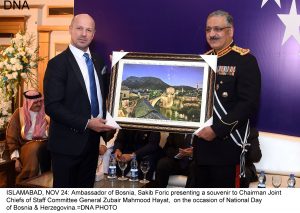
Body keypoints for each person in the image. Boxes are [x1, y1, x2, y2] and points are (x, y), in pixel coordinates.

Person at [43, 14, 114, 187]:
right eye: (79, 28)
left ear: (94, 33)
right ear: (70, 30)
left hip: (91, 144)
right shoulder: (57, 64)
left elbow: (106, 92)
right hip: (66, 147)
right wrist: (87, 123)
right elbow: (52, 107)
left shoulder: (98, 61)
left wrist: (118, 70)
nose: (84, 34)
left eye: (88, 30)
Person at [193, 10, 261, 187]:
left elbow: (248, 104)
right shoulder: (203, 60)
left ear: (230, 31)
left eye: (218, 29)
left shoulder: (245, 61)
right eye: (208, 30)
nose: (212, 34)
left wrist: (216, 130)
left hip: (227, 149)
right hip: (201, 150)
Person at [6, 90, 51, 184]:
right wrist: (15, 159)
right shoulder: (19, 113)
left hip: (46, 143)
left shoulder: (47, 112)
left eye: (40, 101)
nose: (39, 104)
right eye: (35, 102)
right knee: (35, 147)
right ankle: (26, 182)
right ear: (28, 103)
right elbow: (11, 137)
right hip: (26, 145)